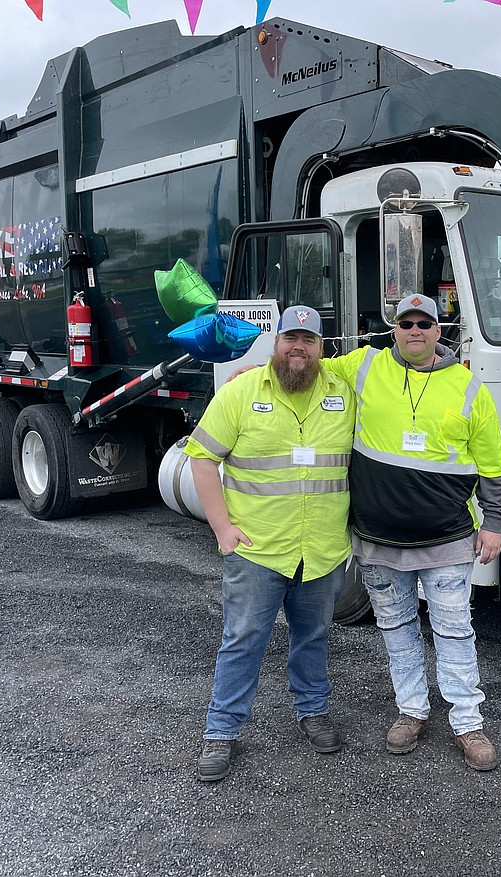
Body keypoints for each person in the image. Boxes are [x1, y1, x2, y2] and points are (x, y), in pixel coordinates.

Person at [321, 293, 501, 771]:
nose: (415, 331)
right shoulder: (363, 366)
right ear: (394, 329)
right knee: (397, 630)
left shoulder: (468, 387)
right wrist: (251, 375)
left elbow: (492, 464)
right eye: (406, 323)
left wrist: (494, 523)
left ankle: (468, 723)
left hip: (446, 539)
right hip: (378, 540)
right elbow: (307, 368)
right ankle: (412, 712)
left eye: (425, 323)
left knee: (453, 632)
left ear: (438, 331)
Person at [184, 305, 356, 782]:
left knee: (315, 637)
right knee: (243, 639)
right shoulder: (242, 391)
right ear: (275, 342)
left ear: (322, 348)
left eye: (308, 340)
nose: (297, 348)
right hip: (257, 549)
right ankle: (221, 733)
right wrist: (222, 529)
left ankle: (313, 712)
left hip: (321, 549)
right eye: (289, 339)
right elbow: (201, 458)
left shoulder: (344, 393)